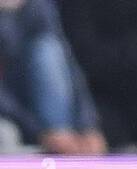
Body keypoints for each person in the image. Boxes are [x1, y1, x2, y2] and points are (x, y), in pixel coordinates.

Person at [0, 0, 105, 154]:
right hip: (18, 118)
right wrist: (39, 132)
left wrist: (87, 125)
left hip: (50, 119)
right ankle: (60, 138)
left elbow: (68, 66)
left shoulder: (38, 7)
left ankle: (66, 139)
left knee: (48, 48)